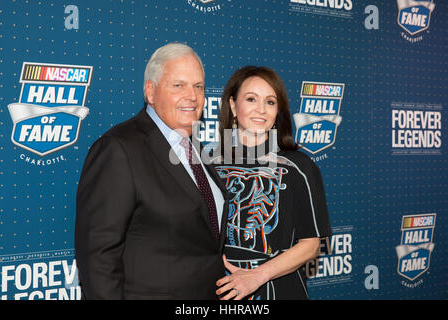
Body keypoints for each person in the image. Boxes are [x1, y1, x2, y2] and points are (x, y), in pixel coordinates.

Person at [75, 43, 229, 299]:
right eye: (178, 85)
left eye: (198, 86)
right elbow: (98, 258)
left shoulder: (196, 147)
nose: (192, 96)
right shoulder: (119, 149)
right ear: (151, 91)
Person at [211, 66, 332, 300]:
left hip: (280, 290)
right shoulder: (210, 164)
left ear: (279, 111)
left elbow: (311, 244)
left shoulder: (300, 167)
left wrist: (258, 275)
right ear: (233, 106)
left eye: (270, 102)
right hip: (221, 289)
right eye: (251, 99)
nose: (261, 110)